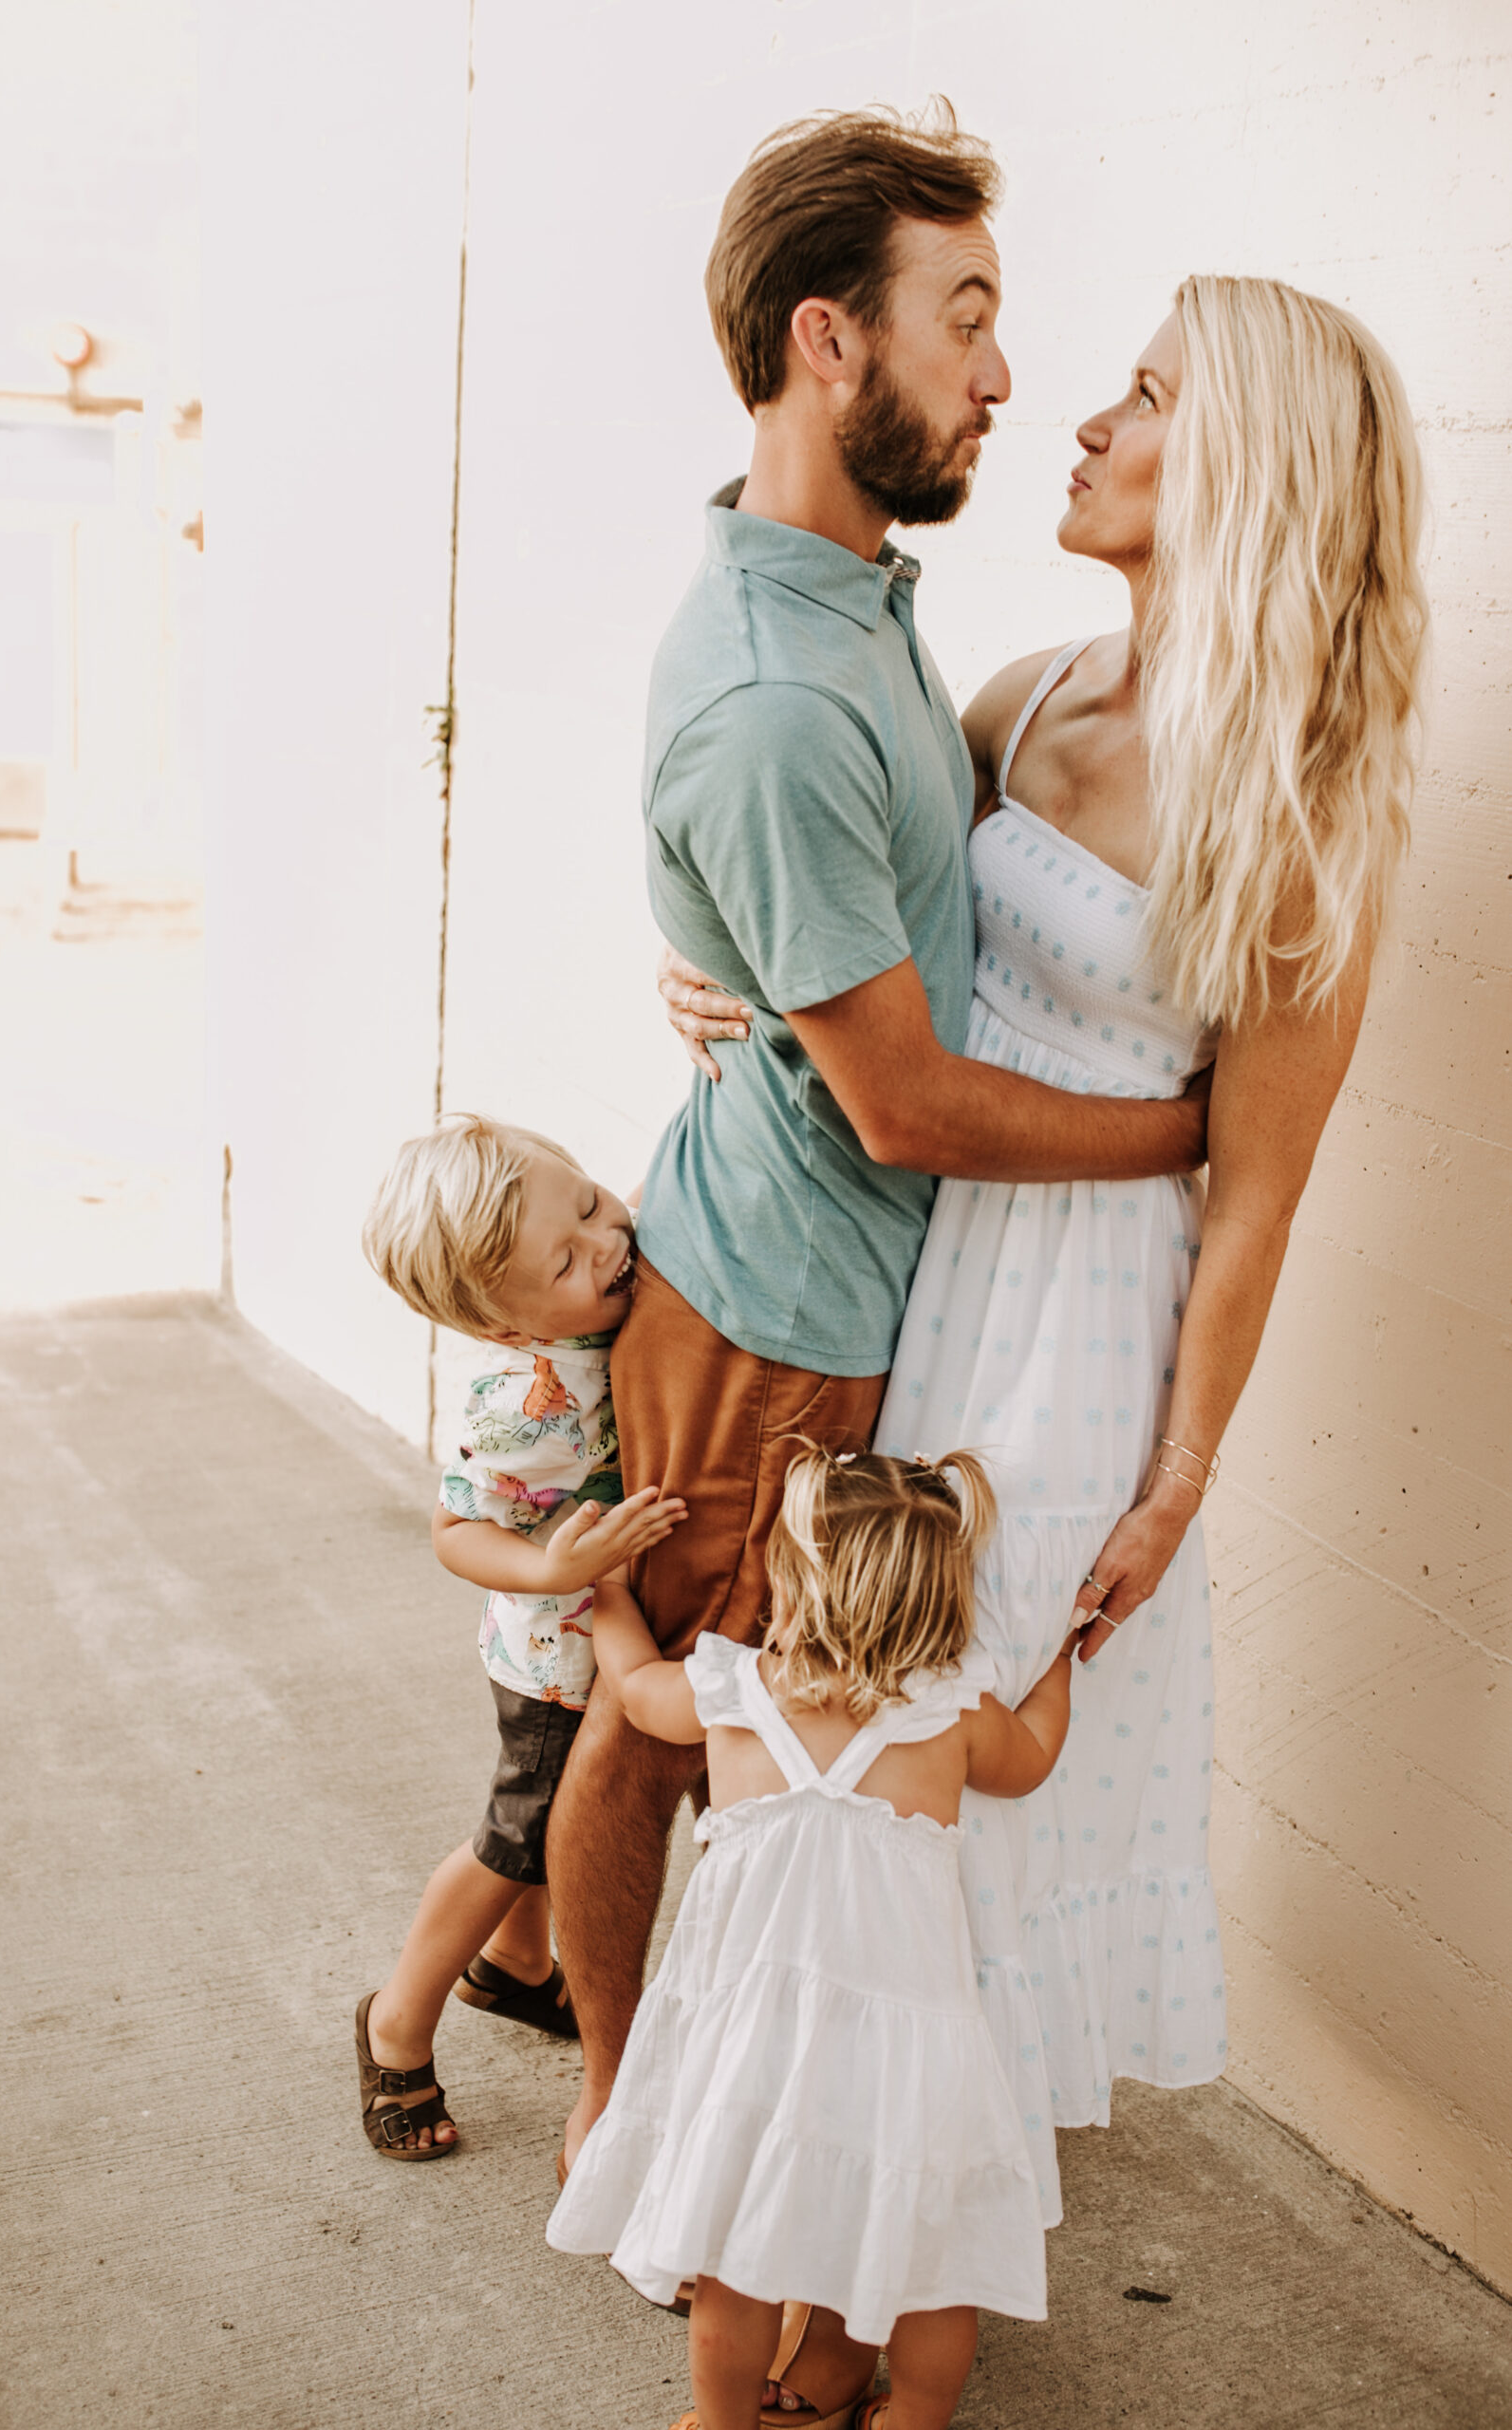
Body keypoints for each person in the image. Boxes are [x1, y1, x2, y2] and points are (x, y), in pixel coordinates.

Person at [667, 273, 1428, 2263]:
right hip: (930, 1275)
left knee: (980, 1781)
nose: (1079, 420)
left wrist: (1174, 1481)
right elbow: (863, 949)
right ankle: (810, 2225)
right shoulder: (1012, 694)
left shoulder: (1300, 812)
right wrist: (727, 984)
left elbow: (1250, 1197)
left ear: (1244, 467)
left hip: (1086, 1344)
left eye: (1145, 393)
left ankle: (904, 2276)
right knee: (857, 1752)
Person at [544, 106, 1210, 2264]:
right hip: (771, 1320)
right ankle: (619, 2116)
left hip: (847, 1295)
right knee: (681, 1738)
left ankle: (668, 2104)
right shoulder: (769, 687)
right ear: (831, 342)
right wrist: (1186, 1132)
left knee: (762, 1745)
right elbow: (905, 1099)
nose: (1004, 375)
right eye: (966, 318)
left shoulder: (851, 604)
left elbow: (822, 939)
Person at [549, 1447, 1078, 2430]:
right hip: (910, 2046)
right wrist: (1059, 1661)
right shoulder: (955, 1709)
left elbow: (632, 1684)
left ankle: (723, 2424)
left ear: (794, 1581)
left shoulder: (736, 1689)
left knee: (735, 2264)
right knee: (933, 2256)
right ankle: (914, 2417)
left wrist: (609, 1590)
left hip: (752, 2040)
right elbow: (1033, 1761)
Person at [352, 1113, 685, 2158]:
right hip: (556, 1656)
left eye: (591, 1203)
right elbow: (456, 1531)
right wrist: (553, 1567)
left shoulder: (602, 1298)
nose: (607, 1244)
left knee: (552, 1824)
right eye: (568, 1258)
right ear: (507, 1325)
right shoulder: (520, 1408)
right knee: (522, 1836)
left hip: (600, 1641)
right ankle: (397, 2021)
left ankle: (516, 1967)